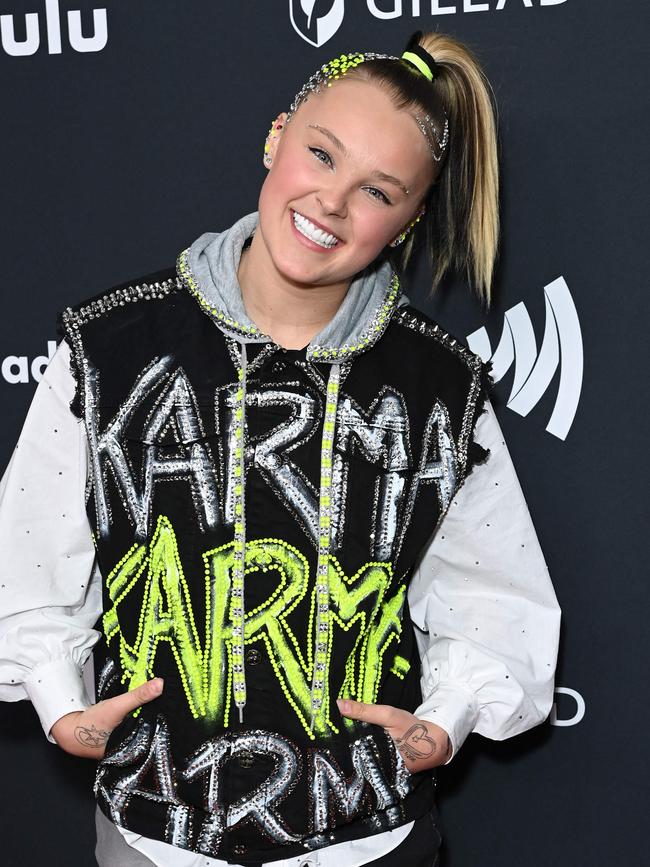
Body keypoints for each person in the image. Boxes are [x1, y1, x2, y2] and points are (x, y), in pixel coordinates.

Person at [0, 30, 561, 867]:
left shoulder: (444, 387)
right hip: (154, 843)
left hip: (372, 843)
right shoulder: (108, 347)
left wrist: (444, 722)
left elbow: (495, 594)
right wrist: (55, 699)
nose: (332, 202)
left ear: (410, 219)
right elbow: (30, 557)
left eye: (378, 189)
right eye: (321, 154)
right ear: (276, 136)